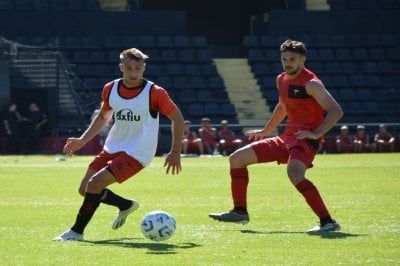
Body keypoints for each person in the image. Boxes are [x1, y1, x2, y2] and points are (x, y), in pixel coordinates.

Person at [209, 39, 343, 233]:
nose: (287, 63)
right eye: (284, 59)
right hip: (285, 138)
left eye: (292, 59)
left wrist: (316, 133)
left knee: (295, 174)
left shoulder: (311, 84)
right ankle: (240, 212)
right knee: (236, 159)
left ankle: (327, 222)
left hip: (305, 139)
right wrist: (265, 132)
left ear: (303, 60)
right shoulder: (281, 79)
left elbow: (336, 111)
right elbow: (282, 107)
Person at [53, 48, 185, 241]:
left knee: (95, 184)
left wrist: (175, 151)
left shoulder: (155, 92)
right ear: (121, 66)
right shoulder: (110, 88)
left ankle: (76, 232)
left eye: (138, 68)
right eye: (129, 68)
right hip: (113, 146)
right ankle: (125, 205)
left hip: (139, 151)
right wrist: (82, 140)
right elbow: (103, 117)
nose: (133, 73)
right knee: (85, 189)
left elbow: (177, 118)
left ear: (144, 68)